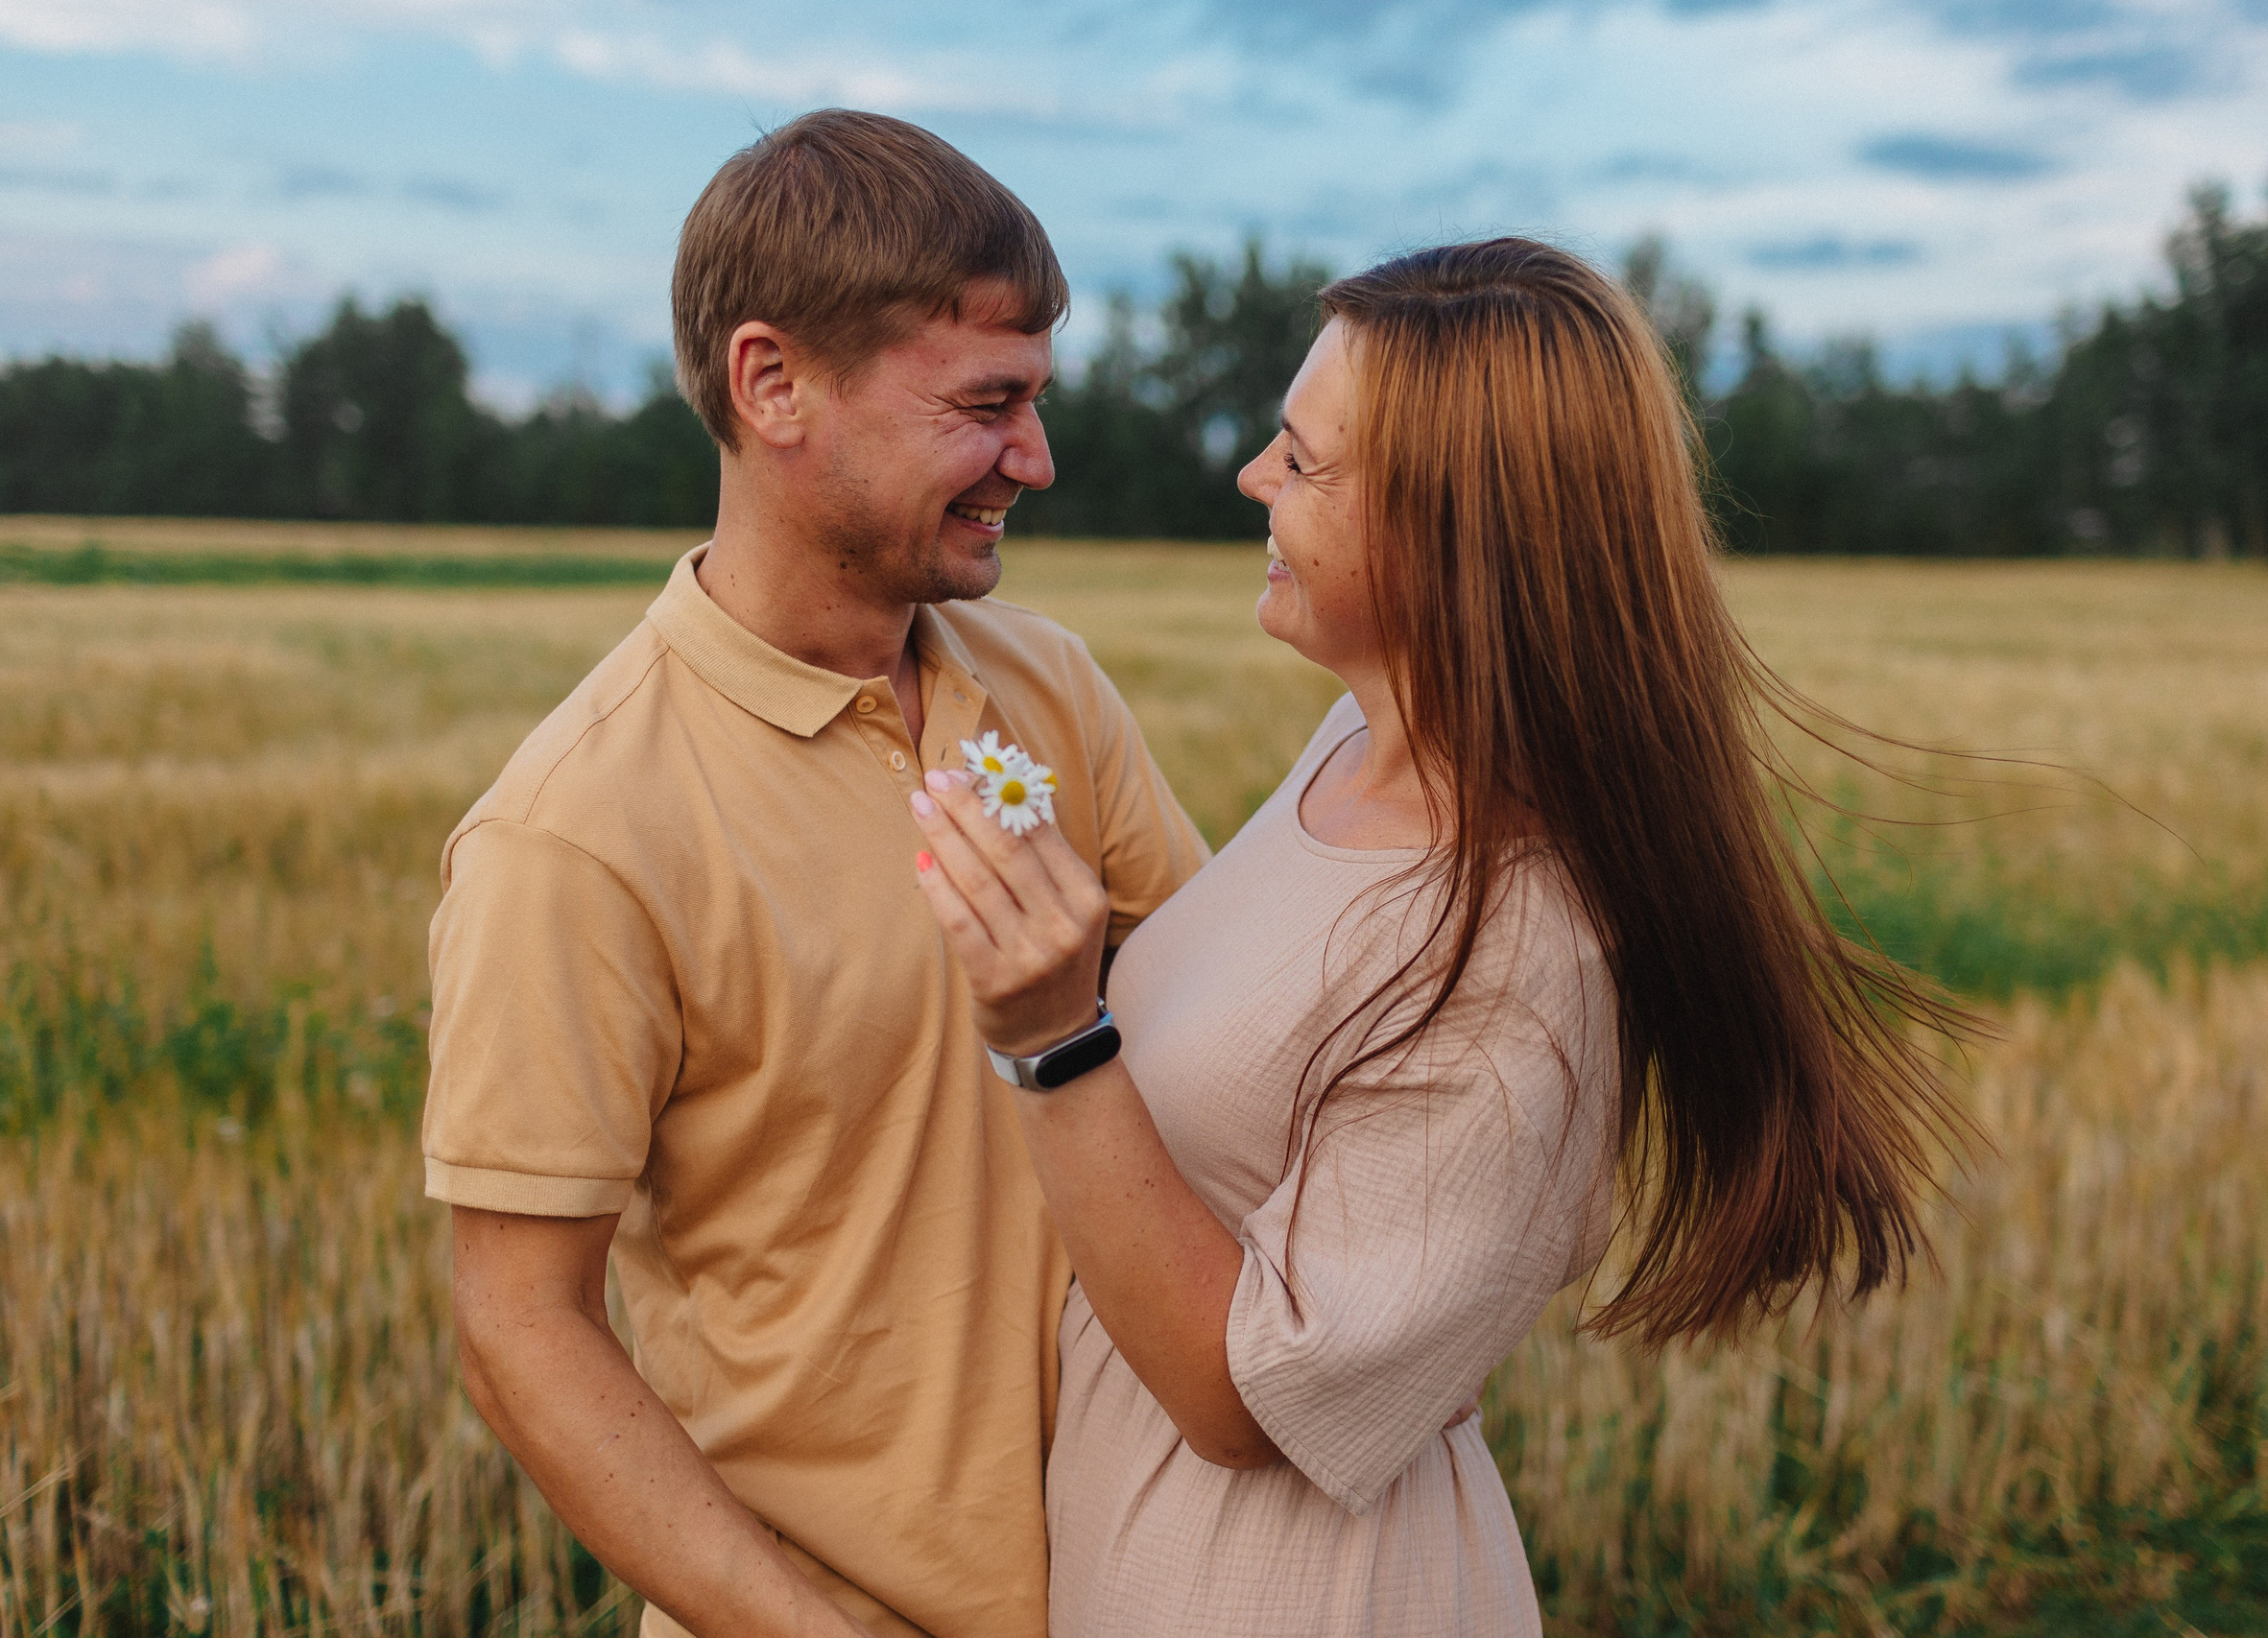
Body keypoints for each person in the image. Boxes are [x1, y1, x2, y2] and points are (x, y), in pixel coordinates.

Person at [905, 237, 1966, 1637]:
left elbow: (1242, 1401)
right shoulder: (1355, 746)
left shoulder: (1528, 944)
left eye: (1302, 458)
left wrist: (1053, 1036)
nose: (1253, 480)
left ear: (1454, 529)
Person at [421, 110, 1207, 1638]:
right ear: (773, 385)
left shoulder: (1050, 689)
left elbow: (1228, 1030)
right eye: (987, 406)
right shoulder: (575, 831)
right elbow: (521, 1332)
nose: (1034, 461)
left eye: (1037, 403)